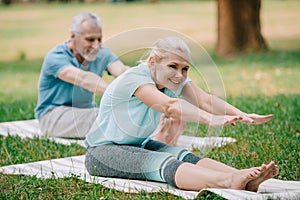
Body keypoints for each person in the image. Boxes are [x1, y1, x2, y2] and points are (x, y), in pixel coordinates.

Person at [84, 37, 278, 191]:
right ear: (153, 62)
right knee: (162, 163)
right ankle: (229, 181)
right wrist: (211, 119)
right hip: (101, 153)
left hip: (137, 144)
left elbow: (204, 100)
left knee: (184, 155)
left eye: (185, 69)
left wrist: (242, 113)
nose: (180, 75)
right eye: (173, 66)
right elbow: (169, 106)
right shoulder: (134, 79)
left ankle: (245, 178)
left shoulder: (170, 79)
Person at [34, 12, 129, 138]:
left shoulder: (102, 53)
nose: (96, 45)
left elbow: (122, 70)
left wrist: (140, 80)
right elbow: (83, 79)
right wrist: (118, 93)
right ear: (73, 36)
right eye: (90, 39)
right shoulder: (55, 57)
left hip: (86, 111)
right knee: (108, 117)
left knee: (118, 114)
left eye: (99, 39)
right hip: (53, 116)